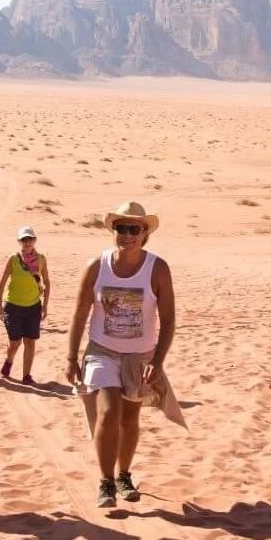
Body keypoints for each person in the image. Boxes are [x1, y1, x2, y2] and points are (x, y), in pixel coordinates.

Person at [66, 201, 175, 508]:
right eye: (121, 228)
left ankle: (123, 475)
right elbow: (79, 313)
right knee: (108, 411)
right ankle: (105, 482)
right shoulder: (96, 266)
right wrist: (70, 357)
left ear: (144, 235)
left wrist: (158, 360)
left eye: (134, 229)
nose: (127, 235)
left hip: (139, 356)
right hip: (102, 351)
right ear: (113, 231)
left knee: (130, 418)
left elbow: (168, 320)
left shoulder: (158, 269)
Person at [0, 226, 50, 384]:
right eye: (24, 240)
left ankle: (26, 375)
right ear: (19, 241)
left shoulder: (41, 259)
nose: (27, 243)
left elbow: (47, 282)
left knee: (30, 342)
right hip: (13, 305)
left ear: (35, 241)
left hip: (33, 306)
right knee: (15, 341)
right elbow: (3, 281)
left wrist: (45, 306)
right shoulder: (13, 259)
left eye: (30, 239)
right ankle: (9, 361)